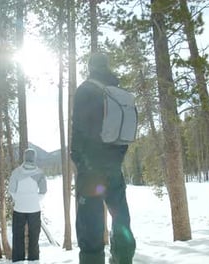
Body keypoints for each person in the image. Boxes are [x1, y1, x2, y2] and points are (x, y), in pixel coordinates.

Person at [71, 52, 136, 264]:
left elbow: (79, 128)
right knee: (121, 217)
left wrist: (79, 160)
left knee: (90, 223)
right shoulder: (118, 92)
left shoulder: (86, 90)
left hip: (91, 171)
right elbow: (124, 134)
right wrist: (116, 159)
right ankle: (123, 258)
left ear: (90, 67)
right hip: (114, 168)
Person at [9, 148, 47, 262]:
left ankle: (18, 259)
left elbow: (11, 190)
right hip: (34, 208)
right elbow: (43, 191)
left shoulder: (16, 172)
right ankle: (34, 259)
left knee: (17, 235)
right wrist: (35, 200)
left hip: (19, 208)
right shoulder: (40, 173)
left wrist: (20, 199)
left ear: (25, 157)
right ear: (34, 158)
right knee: (34, 235)